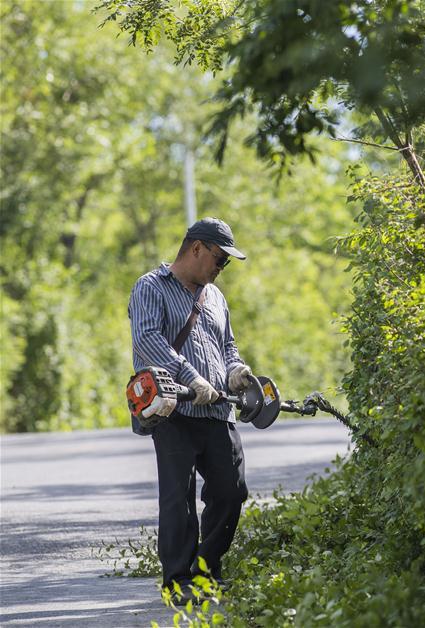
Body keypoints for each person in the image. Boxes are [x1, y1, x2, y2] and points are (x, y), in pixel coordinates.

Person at [128, 217, 253, 603]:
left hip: (217, 411)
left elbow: (227, 345)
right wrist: (190, 377)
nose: (221, 269)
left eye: (226, 263)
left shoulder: (215, 298)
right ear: (196, 248)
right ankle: (178, 581)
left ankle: (205, 572)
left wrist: (235, 371)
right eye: (219, 260)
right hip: (173, 409)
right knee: (178, 498)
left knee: (231, 492)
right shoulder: (151, 287)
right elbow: (147, 338)